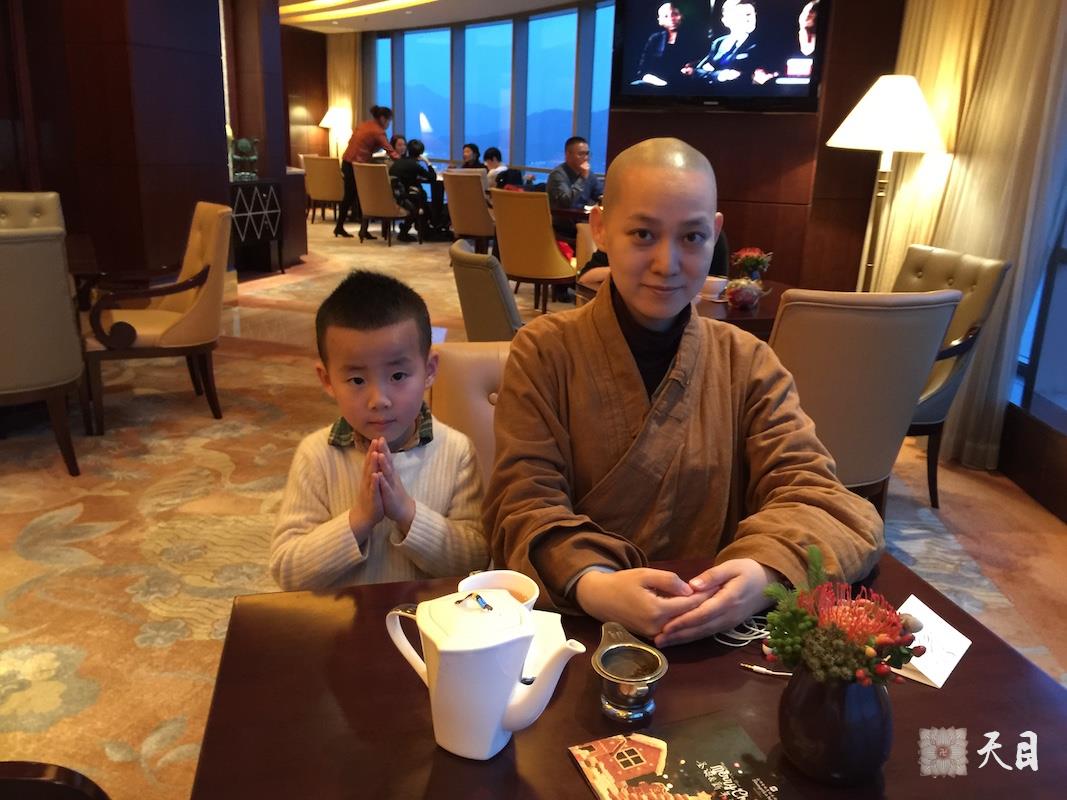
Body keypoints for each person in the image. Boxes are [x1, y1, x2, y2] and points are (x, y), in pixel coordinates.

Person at [483, 137, 883, 648]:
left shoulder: (747, 361)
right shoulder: (543, 351)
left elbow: (821, 497)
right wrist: (594, 584)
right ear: (601, 227)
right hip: (579, 636)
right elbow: (521, 504)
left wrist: (764, 572)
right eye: (643, 234)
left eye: (692, 237)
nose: (667, 263)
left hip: (717, 631)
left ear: (714, 232)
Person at [271, 271, 488, 591]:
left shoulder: (456, 452)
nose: (379, 400)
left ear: (429, 370)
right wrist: (359, 518)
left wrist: (406, 513)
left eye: (398, 376)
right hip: (344, 618)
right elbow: (288, 573)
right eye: (357, 380)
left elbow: (474, 561)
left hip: (428, 619)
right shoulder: (317, 455)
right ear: (327, 380)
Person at [336, 105, 399, 241]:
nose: (389, 124)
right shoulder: (378, 131)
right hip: (357, 165)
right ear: (382, 118)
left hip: (347, 162)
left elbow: (353, 142)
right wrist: (403, 161)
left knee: (352, 197)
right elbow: (390, 150)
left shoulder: (363, 125)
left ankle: (348, 228)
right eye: (389, 121)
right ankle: (350, 228)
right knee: (362, 197)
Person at [686, 1, 777, 85]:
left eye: (749, 14)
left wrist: (711, 72)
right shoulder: (718, 43)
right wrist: (719, 75)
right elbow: (696, 71)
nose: (748, 19)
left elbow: (745, 77)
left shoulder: (761, 44)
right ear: (726, 21)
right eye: (739, 15)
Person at [635, 3, 702, 87]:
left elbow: (701, 61)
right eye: (666, 16)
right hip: (656, 82)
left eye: (675, 14)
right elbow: (643, 68)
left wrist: (692, 67)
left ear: (681, 16)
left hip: (684, 82)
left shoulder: (694, 37)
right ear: (660, 20)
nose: (671, 19)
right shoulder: (655, 38)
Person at [389, 138, 435, 242]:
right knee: (421, 198)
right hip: (404, 198)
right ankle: (415, 230)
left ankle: (420, 229)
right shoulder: (415, 165)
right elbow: (432, 177)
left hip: (394, 196)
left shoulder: (398, 162)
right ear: (420, 154)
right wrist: (428, 162)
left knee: (422, 197)